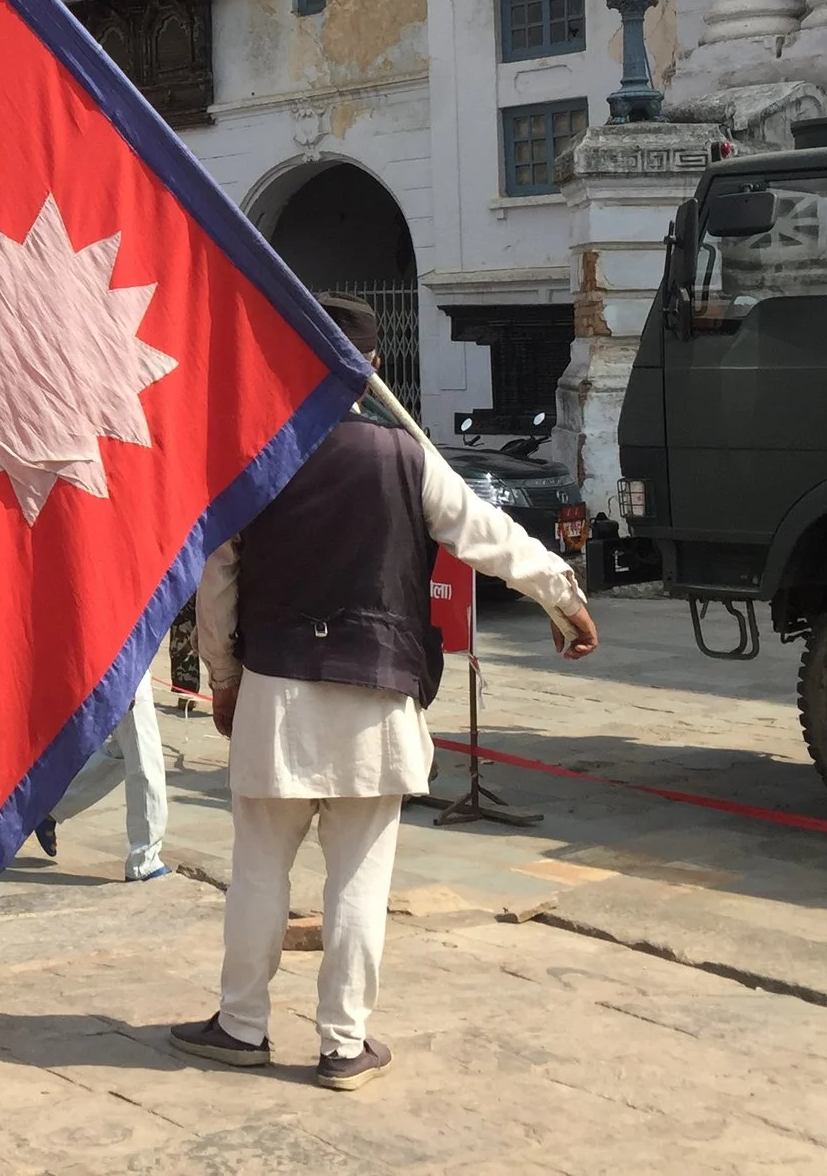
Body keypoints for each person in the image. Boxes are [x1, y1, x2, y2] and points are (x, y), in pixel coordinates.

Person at [168, 296, 601, 1092]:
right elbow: (486, 533)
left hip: (277, 689)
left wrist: (224, 679)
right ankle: (344, 1043)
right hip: (376, 689)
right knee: (359, 878)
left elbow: (217, 577)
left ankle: (241, 1024)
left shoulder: (255, 456)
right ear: (370, 369)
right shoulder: (406, 455)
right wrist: (561, 593)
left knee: (259, 869)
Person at [31, 666, 171, 882]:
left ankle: (51, 805)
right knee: (144, 752)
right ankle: (144, 860)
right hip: (125, 661)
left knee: (125, 749)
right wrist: (128, 676)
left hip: (131, 660)